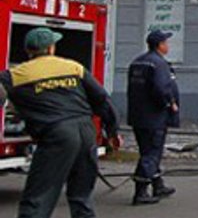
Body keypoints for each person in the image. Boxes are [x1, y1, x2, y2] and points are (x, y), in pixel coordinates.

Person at [0, 27, 120, 218]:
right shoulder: (74, 67)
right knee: (81, 198)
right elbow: (102, 100)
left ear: (28, 50)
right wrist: (112, 131)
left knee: (38, 199)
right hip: (86, 132)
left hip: (57, 135)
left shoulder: (15, 75)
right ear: (51, 48)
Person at [127, 30, 180, 205]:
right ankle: (141, 191)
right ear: (160, 45)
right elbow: (161, 88)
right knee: (152, 153)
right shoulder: (159, 64)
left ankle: (158, 184)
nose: (168, 45)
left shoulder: (137, 62)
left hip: (138, 115)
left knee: (147, 150)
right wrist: (170, 103)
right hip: (154, 116)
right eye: (166, 42)